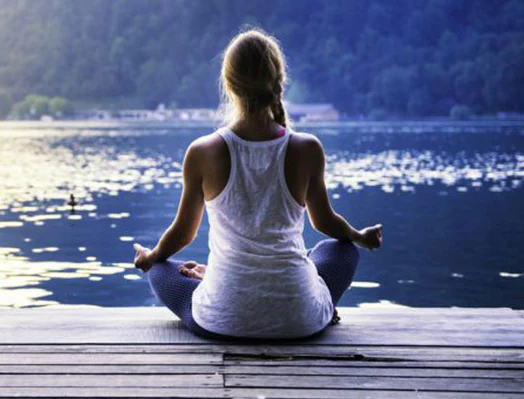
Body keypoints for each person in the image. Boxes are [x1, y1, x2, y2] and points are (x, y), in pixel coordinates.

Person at [133, 29, 382, 340]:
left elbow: (183, 234)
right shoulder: (308, 148)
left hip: (223, 319)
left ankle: (214, 281)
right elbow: (325, 223)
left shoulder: (202, 151)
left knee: (160, 268)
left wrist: (150, 256)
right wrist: (359, 236)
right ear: (278, 81)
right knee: (343, 249)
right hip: (300, 321)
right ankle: (317, 306)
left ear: (228, 85)